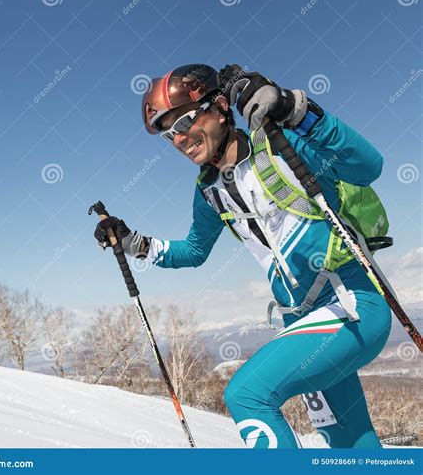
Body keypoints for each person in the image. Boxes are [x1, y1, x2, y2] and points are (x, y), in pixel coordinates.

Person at [94, 64, 392, 448]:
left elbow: (369, 166)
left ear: (219, 106)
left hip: (351, 304)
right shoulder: (210, 190)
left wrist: (293, 109)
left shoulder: (282, 144)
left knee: (248, 394)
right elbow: (194, 251)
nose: (179, 139)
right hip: (300, 321)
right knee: (348, 442)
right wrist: (133, 242)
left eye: (183, 120)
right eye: (168, 134)